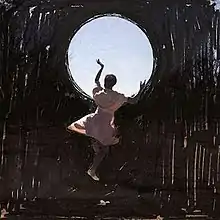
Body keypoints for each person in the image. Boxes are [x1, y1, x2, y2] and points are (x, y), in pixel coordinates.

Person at [67, 59, 146, 181]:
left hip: (95, 120)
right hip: (106, 124)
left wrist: (101, 67)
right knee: (103, 150)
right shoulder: (118, 96)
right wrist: (141, 89)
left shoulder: (99, 93)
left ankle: (91, 168)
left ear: (105, 83)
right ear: (114, 83)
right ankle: (92, 169)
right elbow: (134, 100)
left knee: (96, 142)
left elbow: (96, 81)